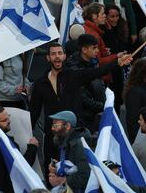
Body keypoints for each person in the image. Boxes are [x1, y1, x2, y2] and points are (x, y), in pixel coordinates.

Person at [30, 42, 132, 177]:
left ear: (65, 56)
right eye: (53, 54)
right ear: (48, 58)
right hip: (53, 136)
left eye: (60, 53)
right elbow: (34, 111)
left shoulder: (73, 76)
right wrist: (27, 133)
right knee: (52, 171)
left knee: (77, 171)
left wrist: (116, 62)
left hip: (75, 135)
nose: (57, 57)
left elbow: (95, 72)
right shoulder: (40, 83)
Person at [65, 34, 106, 133]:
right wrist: (103, 106)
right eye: (94, 48)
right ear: (84, 50)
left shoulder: (93, 63)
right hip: (84, 118)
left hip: (96, 114)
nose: (97, 50)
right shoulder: (75, 69)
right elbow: (83, 98)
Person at [48, 111, 90, 193]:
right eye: (52, 125)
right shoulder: (65, 142)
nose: (52, 129)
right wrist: (57, 167)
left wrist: (62, 180)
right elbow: (72, 168)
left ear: (67, 126)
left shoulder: (79, 144)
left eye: (56, 125)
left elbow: (85, 177)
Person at [123, 57, 146, 143]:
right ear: (144, 72)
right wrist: (137, 141)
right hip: (142, 137)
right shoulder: (134, 92)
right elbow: (132, 120)